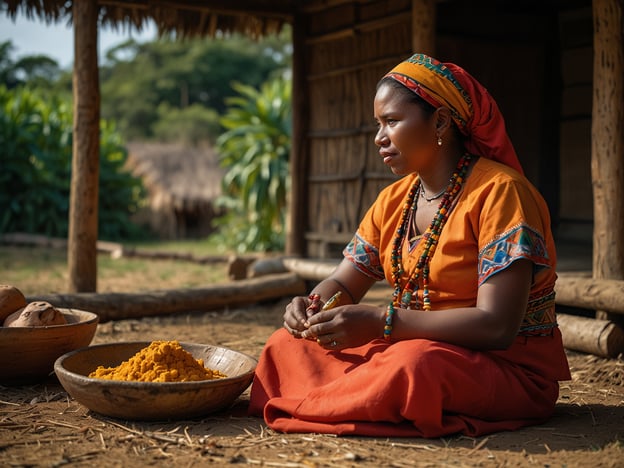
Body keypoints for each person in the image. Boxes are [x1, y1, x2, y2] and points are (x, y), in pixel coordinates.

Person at [248, 53, 571, 437]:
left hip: (501, 367)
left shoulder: (501, 193)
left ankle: (340, 401)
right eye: (378, 124)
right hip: (410, 347)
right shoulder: (394, 200)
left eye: (392, 121)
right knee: (285, 347)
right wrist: (311, 307)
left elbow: (497, 326)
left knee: (413, 368)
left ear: (440, 122)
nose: (379, 137)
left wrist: (382, 323)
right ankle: (352, 401)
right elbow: (345, 283)